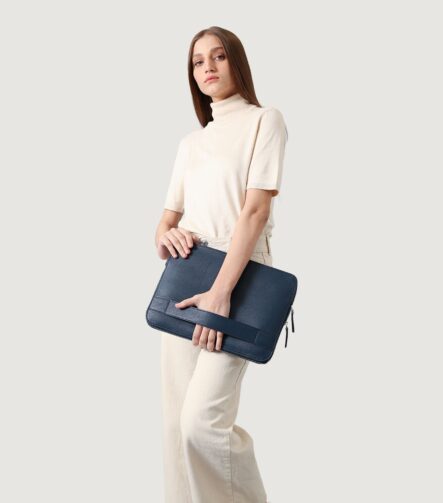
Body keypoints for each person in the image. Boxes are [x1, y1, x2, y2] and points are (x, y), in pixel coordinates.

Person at [154, 25, 288, 503]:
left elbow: (255, 212)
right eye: (197, 61)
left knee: (203, 424)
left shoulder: (264, 121)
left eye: (218, 56)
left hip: (239, 279)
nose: (207, 67)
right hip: (186, 276)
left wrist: (221, 293)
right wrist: (167, 236)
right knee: (177, 424)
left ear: (237, 62)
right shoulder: (191, 143)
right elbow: (165, 222)